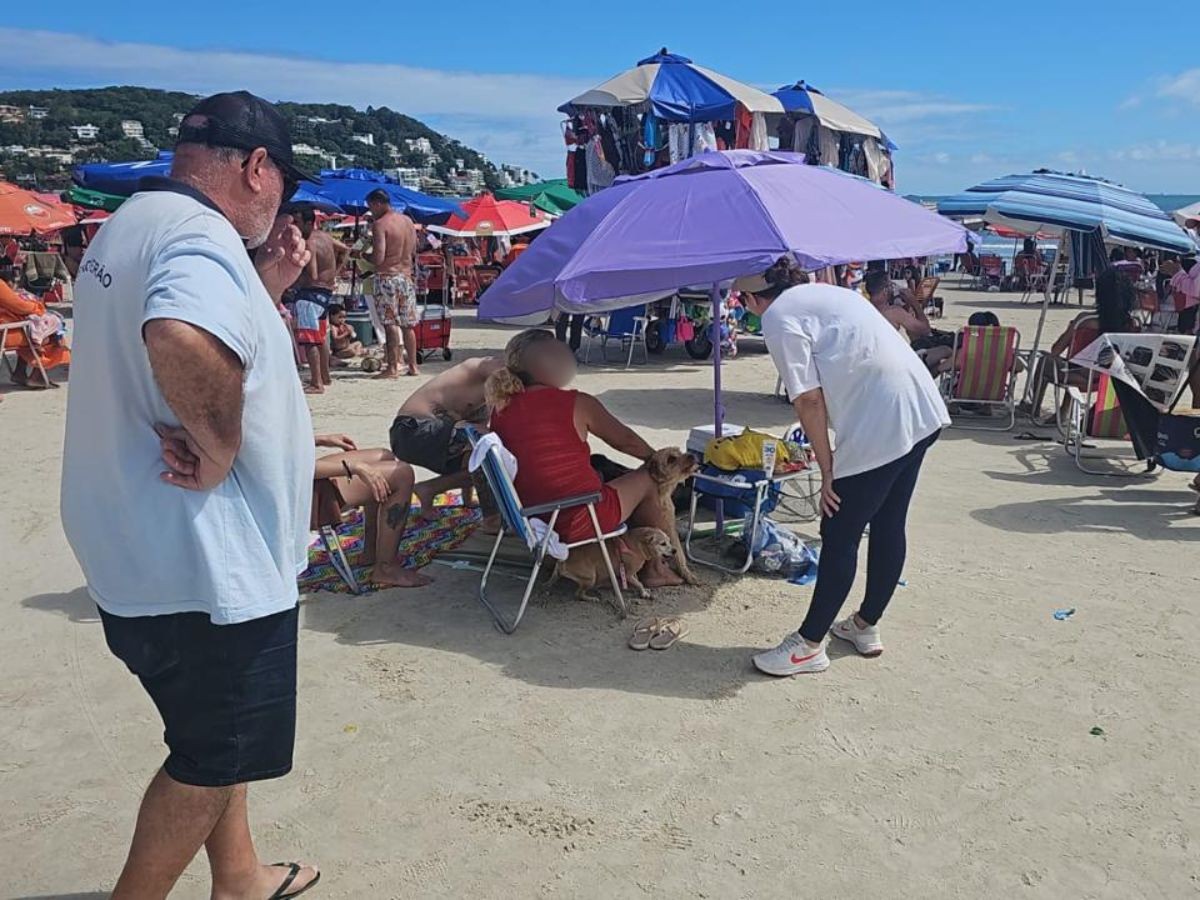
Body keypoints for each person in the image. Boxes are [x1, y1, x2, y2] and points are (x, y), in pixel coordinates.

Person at [60, 91, 322, 899]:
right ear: (255, 168)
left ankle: (239, 876)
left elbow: (191, 319)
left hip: (142, 543)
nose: (282, 205)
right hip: (204, 564)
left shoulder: (135, 222)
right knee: (213, 756)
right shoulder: (201, 239)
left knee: (219, 738)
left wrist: (266, 289)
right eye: (283, 182)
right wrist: (219, 451)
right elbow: (177, 333)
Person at [737, 259, 949, 676]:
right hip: (921, 406)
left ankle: (809, 644)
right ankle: (865, 625)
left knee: (839, 528)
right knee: (889, 521)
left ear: (749, 298)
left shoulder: (778, 317)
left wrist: (827, 469)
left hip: (880, 421)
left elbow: (808, 400)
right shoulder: (830, 293)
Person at [486, 328, 682, 586]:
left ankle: (631, 555)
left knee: (606, 474)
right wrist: (660, 461)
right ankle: (654, 569)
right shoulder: (577, 403)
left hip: (534, 516)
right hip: (578, 515)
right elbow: (626, 441)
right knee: (650, 479)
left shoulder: (501, 407)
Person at [309, 433, 431, 588]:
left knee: (383, 456)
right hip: (296, 493)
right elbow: (286, 464)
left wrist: (319, 440)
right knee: (401, 474)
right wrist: (353, 468)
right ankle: (386, 569)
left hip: (298, 474)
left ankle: (372, 549)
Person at [389, 354, 506, 509]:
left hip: (424, 433)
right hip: (412, 429)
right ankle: (431, 488)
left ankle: (431, 489)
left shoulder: (483, 396)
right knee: (494, 451)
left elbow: (473, 451)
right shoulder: (484, 367)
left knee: (484, 449)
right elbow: (507, 376)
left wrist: (467, 500)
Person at [289, 208, 349, 393]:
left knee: (310, 340)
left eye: (297, 223)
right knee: (321, 338)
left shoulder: (309, 243)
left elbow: (312, 273)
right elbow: (345, 249)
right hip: (325, 294)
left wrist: (292, 281)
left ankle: (316, 383)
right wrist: (335, 273)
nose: (294, 227)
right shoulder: (325, 237)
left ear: (308, 223)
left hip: (309, 294)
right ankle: (324, 376)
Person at [366, 188, 419, 378]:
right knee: (408, 324)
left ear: (377, 203)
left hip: (387, 276)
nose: (371, 212)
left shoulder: (380, 224)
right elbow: (413, 251)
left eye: (371, 207)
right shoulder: (407, 222)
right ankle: (412, 365)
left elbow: (379, 258)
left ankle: (392, 367)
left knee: (390, 323)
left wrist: (363, 255)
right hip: (406, 276)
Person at [0, 264, 70, 387]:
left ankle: (20, 372)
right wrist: (37, 307)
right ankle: (37, 376)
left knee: (32, 325)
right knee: (51, 329)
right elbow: (19, 306)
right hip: (5, 333)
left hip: (7, 327)